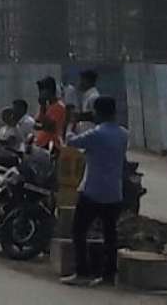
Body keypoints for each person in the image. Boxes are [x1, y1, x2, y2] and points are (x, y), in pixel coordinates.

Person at [61, 96, 128, 287]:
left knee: (79, 231)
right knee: (110, 235)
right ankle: (108, 275)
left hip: (92, 190)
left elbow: (71, 142)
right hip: (114, 192)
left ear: (98, 113)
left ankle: (82, 271)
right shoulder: (123, 133)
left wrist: (72, 123)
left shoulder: (96, 134)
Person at [35, 77, 67, 149]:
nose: (40, 93)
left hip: (51, 145)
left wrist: (41, 126)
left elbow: (49, 127)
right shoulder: (47, 106)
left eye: (42, 90)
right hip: (41, 144)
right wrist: (42, 106)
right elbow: (37, 122)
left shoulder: (58, 106)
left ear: (50, 90)